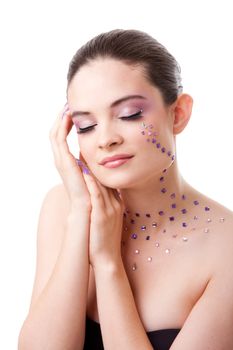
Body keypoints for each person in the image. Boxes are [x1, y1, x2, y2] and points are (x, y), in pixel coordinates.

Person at [18, 29, 233, 350]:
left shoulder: (225, 250)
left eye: (129, 114)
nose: (105, 139)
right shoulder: (62, 206)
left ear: (179, 113)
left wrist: (107, 265)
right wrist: (80, 216)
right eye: (85, 126)